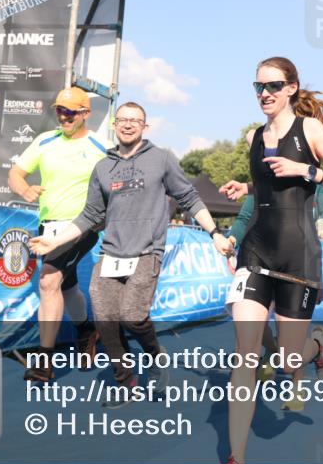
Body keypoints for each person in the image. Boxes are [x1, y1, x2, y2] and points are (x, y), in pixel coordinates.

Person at [30, 102, 232, 403]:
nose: (128, 124)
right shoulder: (103, 167)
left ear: (144, 127)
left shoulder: (162, 158)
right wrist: (54, 241)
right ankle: (125, 382)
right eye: (123, 119)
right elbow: (90, 214)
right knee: (105, 319)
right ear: (114, 124)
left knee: (133, 317)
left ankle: (155, 357)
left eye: (135, 120)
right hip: (111, 254)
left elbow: (189, 197)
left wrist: (215, 233)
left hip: (147, 252)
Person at [214, 57, 323, 464]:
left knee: (290, 359)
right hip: (256, 252)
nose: (265, 93)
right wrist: (247, 187)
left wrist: (304, 169)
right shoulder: (254, 136)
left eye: (273, 85)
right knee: (246, 354)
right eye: (258, 86)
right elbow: (269, 186)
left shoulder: (310, 130)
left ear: (292, 87)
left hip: (298, 256)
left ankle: (317, 347)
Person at [8, 87, 107, 382]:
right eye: (60, 111)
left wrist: (108, 215)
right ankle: (87, 330)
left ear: (86, 113)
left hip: (82, 226)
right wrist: (25, 189)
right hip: (48, 226)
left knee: (49, 280)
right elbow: (15, 174)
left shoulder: (101, 146)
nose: (64, 117)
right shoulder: (45, 140)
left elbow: (118, 184)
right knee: (66, 287)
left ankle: (43, 362)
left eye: (71, 112)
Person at [225, 183, 323, 394]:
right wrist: (232, 240)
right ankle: (273, 352)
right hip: (259, 260)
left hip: (301, 264)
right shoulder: (264, 177)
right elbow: (244, 218)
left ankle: (315, 350)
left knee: (291, 349)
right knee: (251, 324)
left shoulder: (314, 179)